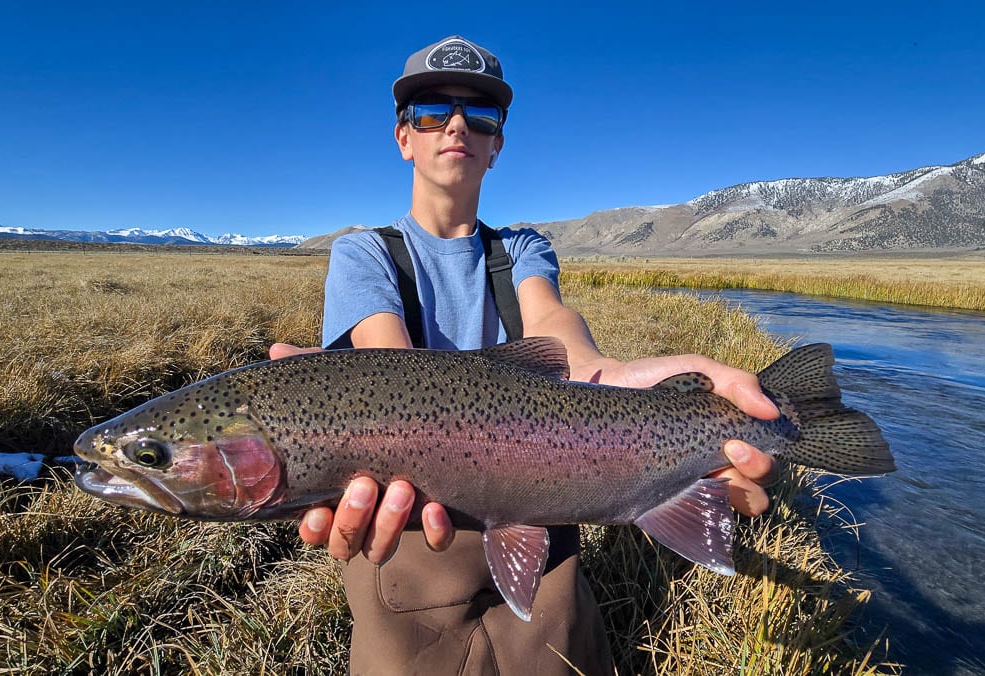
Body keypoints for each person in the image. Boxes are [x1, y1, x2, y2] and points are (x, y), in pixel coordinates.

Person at [269, 35, 777, 675]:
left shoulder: (521, 251)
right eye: (432, 111)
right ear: (404, 137)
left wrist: (625, 380)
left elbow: (564, 342)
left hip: (545, 503)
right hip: (415, 527)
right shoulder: (364, 254)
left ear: (497, 145)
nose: (457, 125)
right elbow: (390, 377)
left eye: (480, 116)